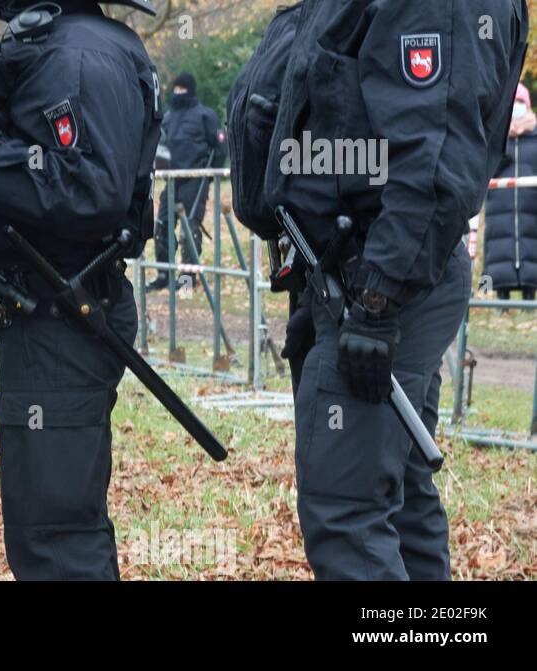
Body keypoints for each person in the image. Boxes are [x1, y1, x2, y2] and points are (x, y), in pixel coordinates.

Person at [236, 0, 528, 580]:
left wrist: (376, 303)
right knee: (397, 497)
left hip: (381, 280)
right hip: (355, 273)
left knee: (349, 512)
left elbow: (432, 160)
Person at [0, 0, 161, 580]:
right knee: (47, 524)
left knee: (56, 534)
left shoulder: (77, 56)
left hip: (66, 312)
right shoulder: (72, 44)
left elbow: (91, 191)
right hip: (51, 310)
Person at [147, 71, 225, 292]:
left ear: (190, 91)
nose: (178, 93)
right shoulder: (168, 118)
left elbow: (220, 148)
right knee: (161, 226)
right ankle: (163, 274)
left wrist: (208, 176)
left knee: (189, 229)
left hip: (195, 181)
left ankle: (187, 280)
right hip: (172, 181)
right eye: (176, 89)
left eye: (183, 89)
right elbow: (159, 148)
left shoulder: (205, 116)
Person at [484, 83, 537, 302]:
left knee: (531, 246)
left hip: (530, 206)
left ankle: (529, 295)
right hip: (500, 206)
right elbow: (486, 167)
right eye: (513, 103)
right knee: (499, 248)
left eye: (521, 103)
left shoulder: (535, 137)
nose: (516, 107)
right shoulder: (496, 135)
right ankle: (501, 296)